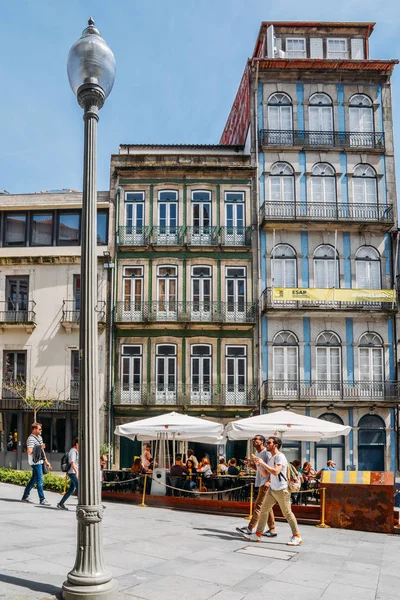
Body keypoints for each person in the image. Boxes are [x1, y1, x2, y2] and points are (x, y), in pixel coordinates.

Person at [244, 436, 302, 546]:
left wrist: (262, 462)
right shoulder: (272, 457)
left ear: (275, 445)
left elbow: (276, 472)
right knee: (263, 510)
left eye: (269, 442)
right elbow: (266, 474)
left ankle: (297, 536)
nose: (266, 444)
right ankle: (258, 534)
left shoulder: (280, 457)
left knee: (287, 513)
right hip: (272, 489)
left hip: (281, 490)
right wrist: (259, 465)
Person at [236, 434, 276, 538]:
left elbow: (272, 468)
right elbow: (259, 468)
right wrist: (250, 464)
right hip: (261, 481)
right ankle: (272, 529)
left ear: (262, 441)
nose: (253, 441)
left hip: (265, 482)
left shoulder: (266, 453)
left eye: (256, 439)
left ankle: (250, 528)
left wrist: (269, 481)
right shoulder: (256, 453)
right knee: (267, 507)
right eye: (253, 439)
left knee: (258, 505)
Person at [21, 422, 51, 506]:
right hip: (35, 462)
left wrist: (46, 461)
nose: (41, 430)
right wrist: (39, 447)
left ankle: (25, 496)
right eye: (39, 429)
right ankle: (42, 499)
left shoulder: (40, 438)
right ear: (34, 429)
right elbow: (29, 451)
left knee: (34, 479)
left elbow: (42, 451)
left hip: (40, 461)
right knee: (40, 479)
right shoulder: (30, 439)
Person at [57, 437, 79, 510]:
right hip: (72, 472)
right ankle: (85, 504)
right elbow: (72, 462)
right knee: (79, 487)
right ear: (76, 444)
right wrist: (76, 472)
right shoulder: (73, 451)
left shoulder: (76, 451)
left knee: (71, 489)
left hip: (74, 472)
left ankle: (61, 503)